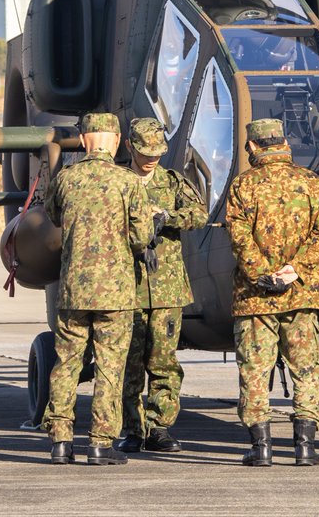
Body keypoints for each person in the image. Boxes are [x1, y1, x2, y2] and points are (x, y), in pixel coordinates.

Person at [43, 112, 153, 466]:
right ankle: (100, 443)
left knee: (66, 364)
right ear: (118, 141)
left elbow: (54, 216)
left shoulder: (66, 179)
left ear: (84, 140)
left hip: (74, 289)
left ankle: (60, 441)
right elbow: (141, 236)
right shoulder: (129, 183)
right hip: (115, 293)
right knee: (110, 366)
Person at [226, 118, 319, 467]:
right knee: (306, 369)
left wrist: (263, 275)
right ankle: (305, 447)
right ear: (284, 144)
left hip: (255, 297)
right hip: (302, 294)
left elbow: (239, 239)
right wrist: (295, 271)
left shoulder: (242, 186)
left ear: (254, 147)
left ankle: (261, 448)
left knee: (255, 370)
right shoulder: (313, 183)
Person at [119, 117, 208, 454]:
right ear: (129, 146)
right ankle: (132, 428)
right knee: (130, 362)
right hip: (128, 286)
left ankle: (160, 426)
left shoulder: (173, 182)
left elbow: (199, 214)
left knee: (163, 360)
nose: (151, 158)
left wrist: (168, 216)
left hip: (167, 287)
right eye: (144, 152)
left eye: (157, 152)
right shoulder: (119, 182)